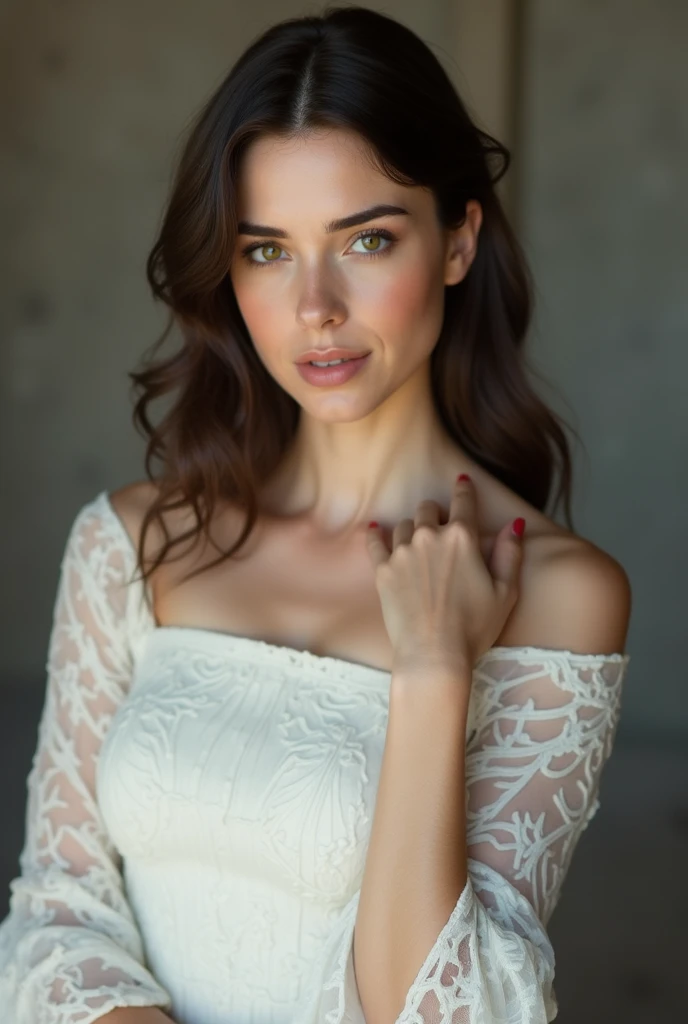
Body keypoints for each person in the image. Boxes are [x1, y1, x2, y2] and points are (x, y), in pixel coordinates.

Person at [0, 5, 632, 1023]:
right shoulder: (129, 543)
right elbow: (56, 913)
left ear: (459, 241)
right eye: (266, 251)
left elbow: (446, 1010)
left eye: (366, 239)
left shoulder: (560, 594)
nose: (315, 307)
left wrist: (434, 673)